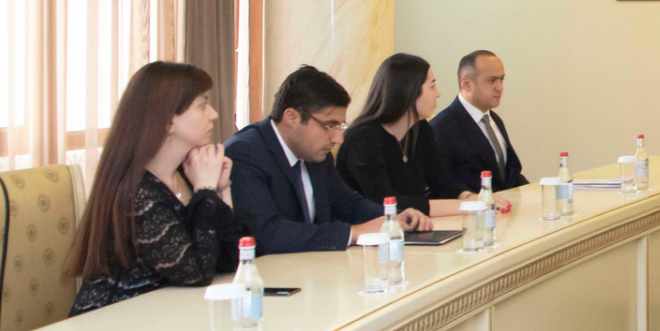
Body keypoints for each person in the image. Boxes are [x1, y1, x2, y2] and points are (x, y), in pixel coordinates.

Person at [67, 62, 247, 315]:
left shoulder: (188, 174)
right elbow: (197, 273)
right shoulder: (138, 195)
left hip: (164, 317)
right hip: (113, 325)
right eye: (202, 105)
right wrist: (205, 190)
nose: (213, 114)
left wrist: (220, 188)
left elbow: (232, 259)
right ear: (168, 121)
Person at [225, 65, 430, 253]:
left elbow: (349, 204)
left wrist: (392, 218)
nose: (338, 139)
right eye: (330, 126)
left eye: (340, 127)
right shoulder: (244, 153)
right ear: (291, 118)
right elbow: (268, 233)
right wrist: (354, 233)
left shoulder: (315, 153)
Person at [337, 53, 487, 219]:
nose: (438, 93)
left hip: (410, 227)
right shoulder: (363, 138)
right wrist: (466, 206)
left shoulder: (420, 130)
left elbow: (443, 183)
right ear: (409, 91)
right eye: (432, 86)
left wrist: (472, 197)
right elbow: (386, 202)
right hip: (370, 230)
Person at [432, 49, 527, 192]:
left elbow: (510, 175)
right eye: (491, 81)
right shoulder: (441, 128)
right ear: (466, 84)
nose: (500, 88)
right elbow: (442, 185)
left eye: (501, 79)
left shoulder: (494, 120)